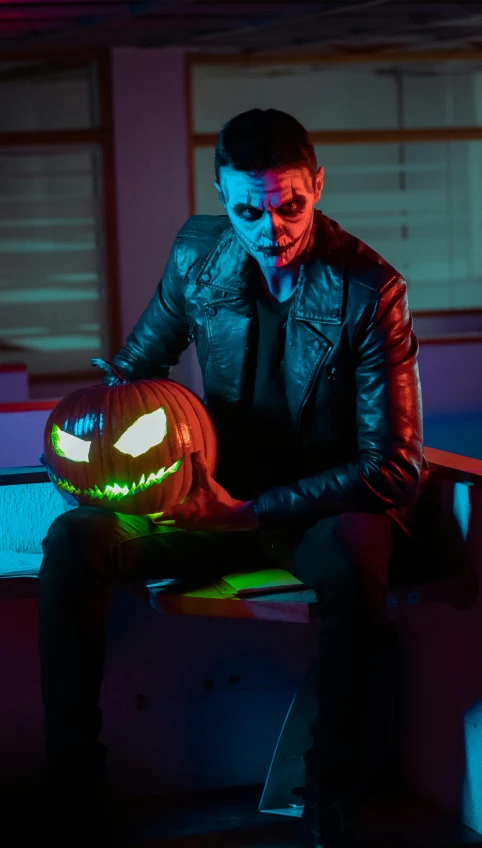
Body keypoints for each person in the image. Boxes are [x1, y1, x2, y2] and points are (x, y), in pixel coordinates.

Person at [39, 108, 429, 847]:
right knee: (74, 540)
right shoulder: (198, 255)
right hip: (208, 501)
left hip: (318, 507)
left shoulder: (371, 289)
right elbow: (133, 372)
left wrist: (248, 514)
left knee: (358, 550)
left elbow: (394, 467)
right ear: (222, 195)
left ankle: (331, 794)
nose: (271, 227)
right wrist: (84, 451)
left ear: (316, 186)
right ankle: (74, 782)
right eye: (248, 209)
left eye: (290, 205)